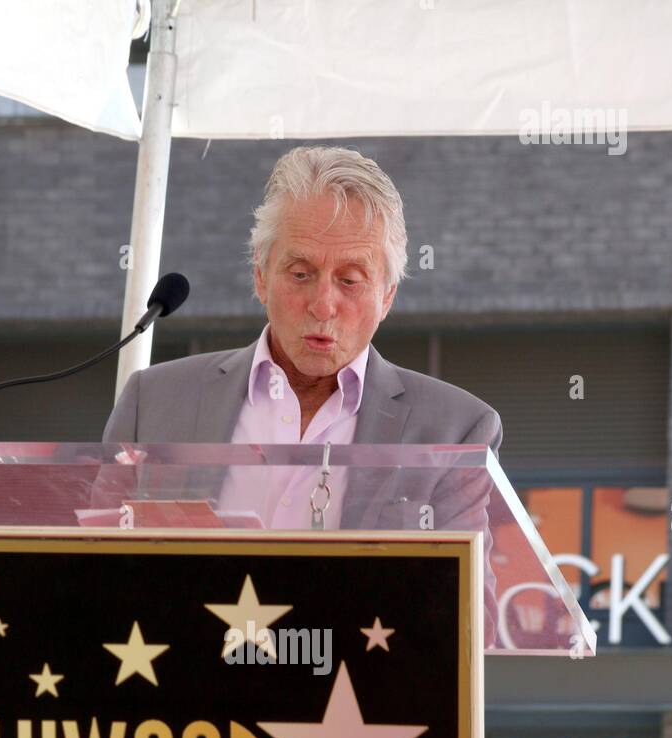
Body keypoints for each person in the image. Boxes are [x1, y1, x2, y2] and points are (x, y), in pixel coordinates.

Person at [101, 146, 501, 637]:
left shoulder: (455, 428)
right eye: (300, 273)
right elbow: (91, 568)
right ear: (260, 275)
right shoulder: (154, 403)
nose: (323, 304)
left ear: (388, 296)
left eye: (350, 280)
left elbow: (470, 621)